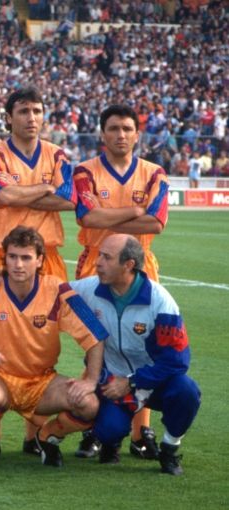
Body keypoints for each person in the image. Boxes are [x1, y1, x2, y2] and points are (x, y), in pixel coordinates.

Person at [0, 86, 76, 453]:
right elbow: (3, 196)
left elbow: (69, 198)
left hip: (47, 256)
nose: (31, 117)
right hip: (4, 257)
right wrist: (45, 187)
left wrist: (27, 190)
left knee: (42, 340)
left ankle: (33, 434)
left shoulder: (57, 153)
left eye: (37, 110)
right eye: (23, 111)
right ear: (9, 117)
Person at [0, 226, 107, 467]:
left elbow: (95, 335)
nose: (18, 264)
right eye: (13, 257)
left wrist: (90, 380)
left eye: (26, 257)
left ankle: (48, 437)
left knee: (89, 404)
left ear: (39, 260)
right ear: (4, 258)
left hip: (42, 381)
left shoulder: (57, 290)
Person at [73, 104, 169, 458]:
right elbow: (87, 217)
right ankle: (96, 428)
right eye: (113, 128)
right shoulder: (85, 171)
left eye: (127, 128)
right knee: (95, 348)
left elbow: (157, 223)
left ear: (137, 134)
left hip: (142, 269)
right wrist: (133, 212)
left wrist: (107, 221)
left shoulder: (154, 173)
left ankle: (141, 431)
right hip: (94, 268)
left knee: (143, 351)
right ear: (102, 133)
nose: (121, 135)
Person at [71, 234, 200, 475]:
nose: (98, 262)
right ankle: (110, 442)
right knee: (106, 428)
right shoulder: (89, 288)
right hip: (112, 381)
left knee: (187, 392)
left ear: (128, 265)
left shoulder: (160, 301)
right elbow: (47, 294)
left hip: (154, 381)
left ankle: (170, 449)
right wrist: (1, 279)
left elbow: (178, 361)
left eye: (106, 257)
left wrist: (131, 382)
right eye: (99, 255)